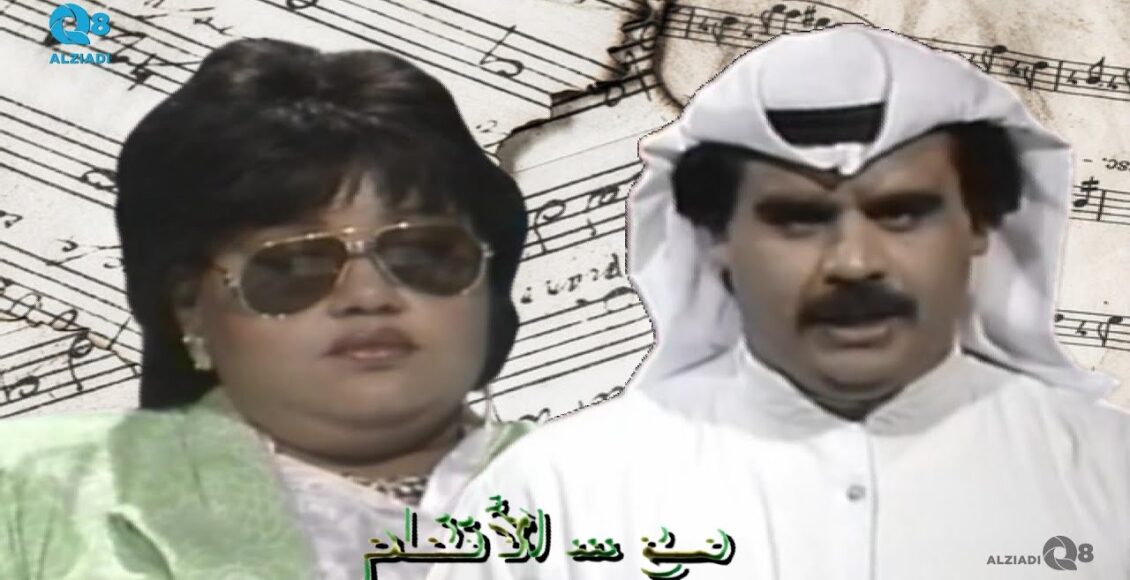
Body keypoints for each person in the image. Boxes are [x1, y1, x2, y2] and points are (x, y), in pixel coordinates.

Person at [425, 25, 1130, 580]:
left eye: (902, 213)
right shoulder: (552, 494)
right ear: (715, 238)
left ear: (980, 226)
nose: (853, 262)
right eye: (798, 219)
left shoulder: (1110, 474)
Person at [0, 38, 530, 580]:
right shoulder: (30, 498)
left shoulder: (578, 482)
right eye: (296, 265)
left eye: (423, 255)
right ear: (190, 308)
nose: (370, 295)